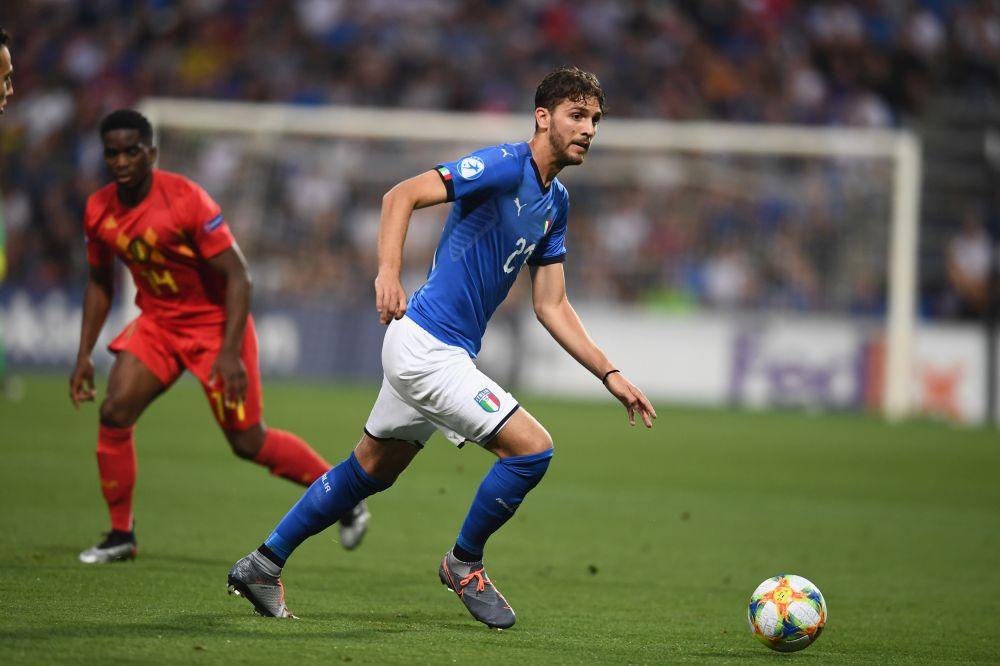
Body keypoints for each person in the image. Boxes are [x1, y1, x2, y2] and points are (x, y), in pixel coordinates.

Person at [227, 67, 657, 628]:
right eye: (577, 115)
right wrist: (388, 273)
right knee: (532, 450)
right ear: (542, 117)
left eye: (595, 119)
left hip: (438, 351)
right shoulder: (504, 166)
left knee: (369, 470)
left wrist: (610, 373)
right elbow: (400, 195)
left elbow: (551, 304)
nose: (589, 129)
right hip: (426, 347)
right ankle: (463, 563)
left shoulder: (556, 203)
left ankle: (263, 563)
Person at [70, 110, 368, 564]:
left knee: (247, 442)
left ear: (151, 153)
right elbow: (99, 283)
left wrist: (230, 353)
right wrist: (84, 354)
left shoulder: (186, 200)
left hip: (215, 327)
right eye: (113, 153)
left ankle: (343, 495)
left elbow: (239, 276)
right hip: (159, 324)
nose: (122, 161)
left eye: (132, 151)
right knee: (114, 411)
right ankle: (120, 534)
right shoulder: (98, 210)